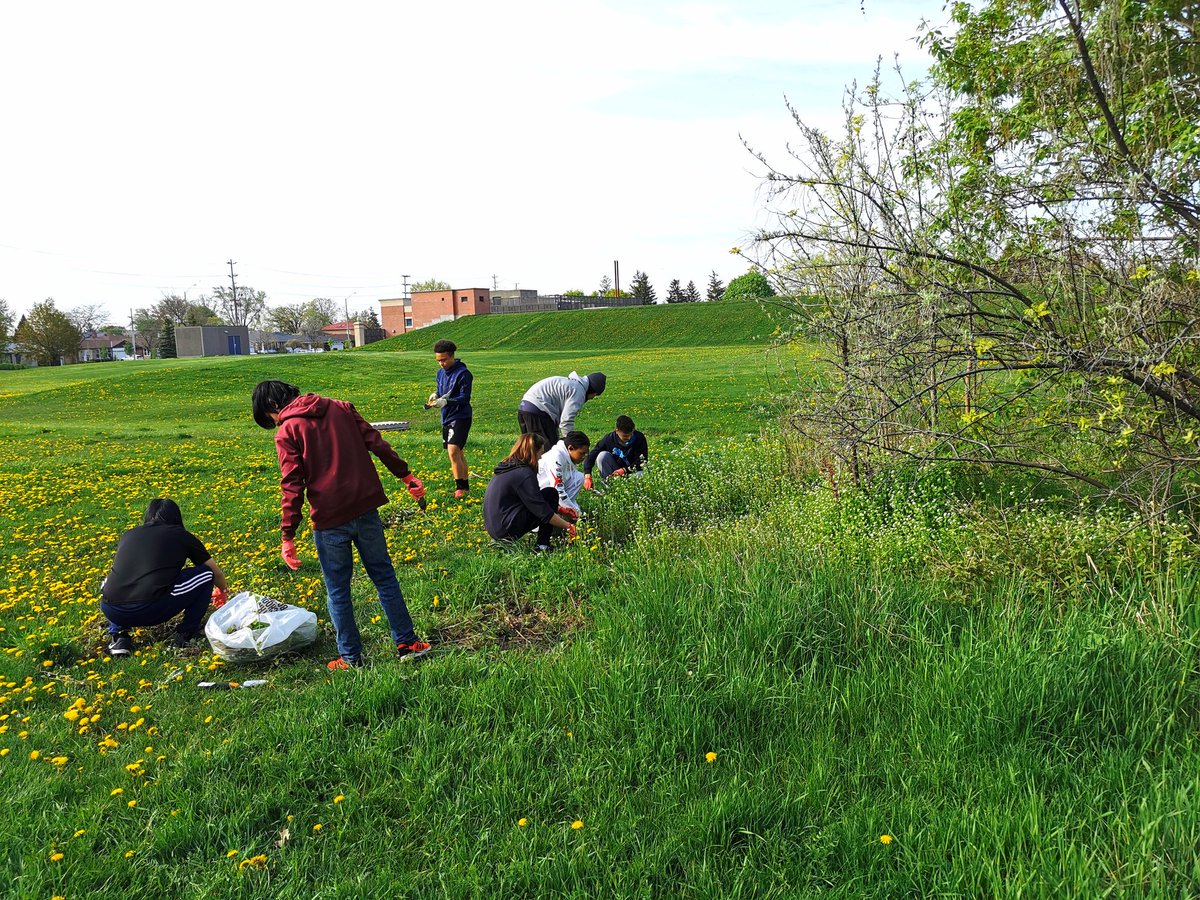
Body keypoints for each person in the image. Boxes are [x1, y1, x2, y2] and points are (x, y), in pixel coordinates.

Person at [251, 380, 430, 670]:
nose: (276, 422)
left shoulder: (288, 430)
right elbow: (377, 444)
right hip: (366, 507)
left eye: (271, 418)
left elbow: (292, 484)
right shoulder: (341, 408)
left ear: (273, 405)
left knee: (338, 591)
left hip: (329, 519)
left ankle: (350, 658)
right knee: (384, 577)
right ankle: (407, 643)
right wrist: (406, 476)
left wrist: (288, 535)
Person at [100, 498, 230, 656]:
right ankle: (186, 633)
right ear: (176, 517)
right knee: (206, 574)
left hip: (112, 609)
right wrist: (223, 590)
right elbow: (215, 572)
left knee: (113, 581)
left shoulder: (128, 534)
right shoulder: (180, 535)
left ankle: (119, 637)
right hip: (152, 608)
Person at [484, 434, 579, 552]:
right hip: (506, 529)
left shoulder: (509, 466)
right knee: (551, 494)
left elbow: (532, 499)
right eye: (540, 454)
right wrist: (569, 526)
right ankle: (542, 546)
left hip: (495, 527)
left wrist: (561, 510)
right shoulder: (525, 474)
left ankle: (540, 544)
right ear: (534, 453)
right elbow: (542, 511)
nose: (540, 458)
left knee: (548, 494)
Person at [427, 339, 473, 499]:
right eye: (438, 360)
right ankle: (465, 487)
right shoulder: (440, 373)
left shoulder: (464, 374)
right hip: (446, 416)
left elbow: (464, 398)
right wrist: (435, 396)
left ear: (452, 356)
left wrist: (447, 401)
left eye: (444, 360)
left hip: (461, 416)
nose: (441, 364)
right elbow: (441, 391)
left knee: (453, 451)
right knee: (457, 453)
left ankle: (459, 488)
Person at [517, 371, 606, 449]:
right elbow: (566, 421)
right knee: (548, 451)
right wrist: (571, 443)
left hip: (524, 407)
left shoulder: (571, 383)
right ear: (594, 392)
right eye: (594, 396)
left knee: (528, 449)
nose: (592, 398)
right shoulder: (579, 391)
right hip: (538, 410)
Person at [583, 415, 649, 490]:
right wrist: (587, 476)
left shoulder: (639, 438)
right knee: (602, 456)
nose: (629, 437)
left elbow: (642, 462)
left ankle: (636, 491)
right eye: (625, 436)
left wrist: (624, 470)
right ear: (617, 431)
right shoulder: (609, 439)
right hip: (616, 471)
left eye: (631, 434)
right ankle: (610, 487)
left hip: (633, 471)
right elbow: (591, 456)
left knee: (641, 474)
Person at [538, 430, 590, 516]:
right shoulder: (556, 457)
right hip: (541, 496)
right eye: (582, 453)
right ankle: (558, 514)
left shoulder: (566, 455)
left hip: (553, 491)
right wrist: (577, 513)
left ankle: (565, 513)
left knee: (579, 477)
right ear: (570, 448)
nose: (583, 457)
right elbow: (558, 490)